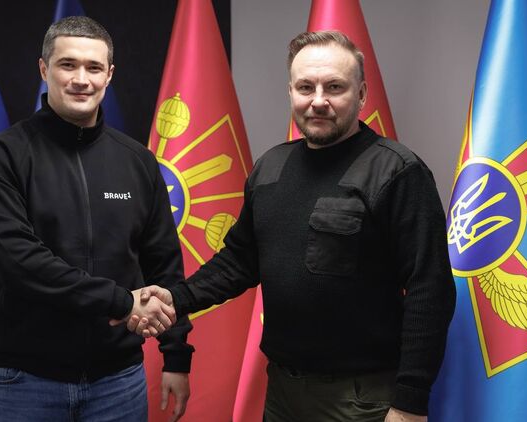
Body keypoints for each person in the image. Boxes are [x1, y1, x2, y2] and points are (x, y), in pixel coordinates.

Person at [132, 31, 456, 422]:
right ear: (291, 92)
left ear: (361, 94)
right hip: (283, 393)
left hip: (363, 399)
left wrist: (410, 402)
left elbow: (430, 289)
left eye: (334, 87)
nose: (318, 100)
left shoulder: (398, 172)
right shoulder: (270, 168)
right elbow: (239, 262)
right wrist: (175, 299)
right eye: (306, 87)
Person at [0, 16, 193, 422]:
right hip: (22, 382)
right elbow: (21, 263)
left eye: (93, 67)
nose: (81, 80)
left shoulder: (138, 162)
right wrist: (121, 302)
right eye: (67, 65)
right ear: (44, 69)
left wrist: (175, 354)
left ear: (109, 75)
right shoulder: (2, 156)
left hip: (117, 382)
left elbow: (163, 262)